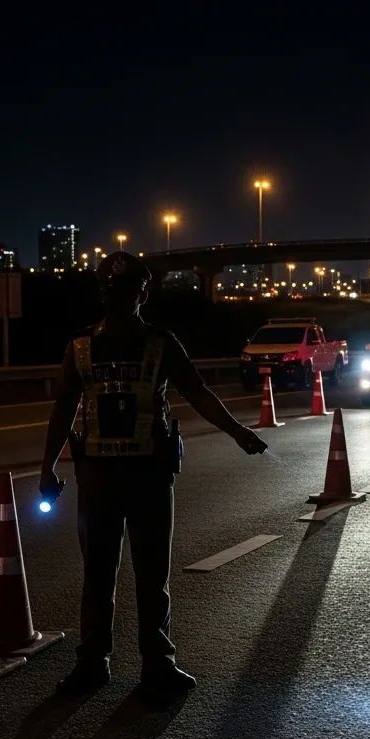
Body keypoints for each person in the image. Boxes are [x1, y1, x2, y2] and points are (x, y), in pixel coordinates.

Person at [39, 251, 267, 701]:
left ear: (137, 292)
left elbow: (195, 393)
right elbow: (65, 407)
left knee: (132, 573)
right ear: (126, 293)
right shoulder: (96, 345)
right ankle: (115, 663)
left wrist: (237, 432)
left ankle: (134, 663)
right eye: (114, 291)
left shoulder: (137, 344)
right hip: (121, 477)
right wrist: (46, 466)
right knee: (116, 573)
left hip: (130, 476)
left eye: (121, 290)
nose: (119, 297)